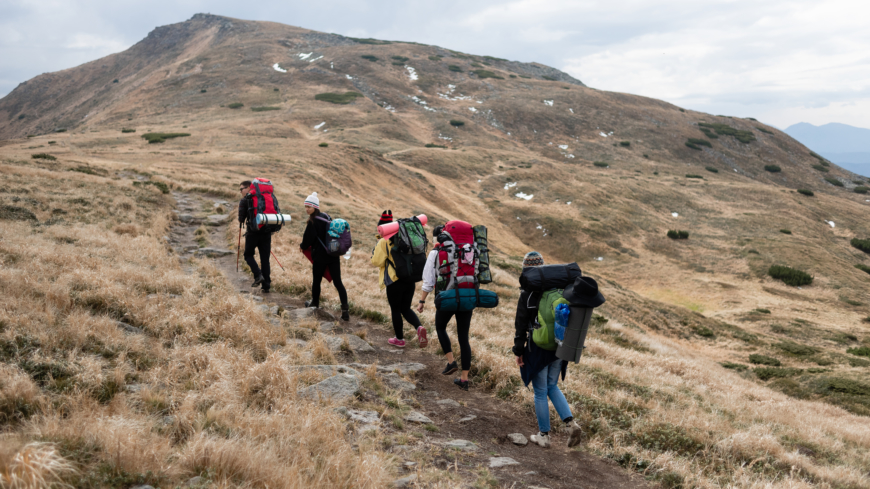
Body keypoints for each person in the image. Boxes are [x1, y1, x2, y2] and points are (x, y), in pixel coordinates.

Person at [513, 251, 583, 448]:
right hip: (559, 344)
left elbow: (521, 324)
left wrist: (518, 351)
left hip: (539, 346)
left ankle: (544, 435)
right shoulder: (560, 288)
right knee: (552, 385)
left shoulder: (528, 294)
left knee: (540, 391)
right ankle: (570, 424)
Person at [417, 224, 472, 391]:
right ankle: (464, 379)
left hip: (446, 297)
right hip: (467, 296)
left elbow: (429, 280)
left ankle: (451, 362)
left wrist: (422, 301)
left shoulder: (436, 252)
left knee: (440, 327)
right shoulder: (468, 250)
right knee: (464, 337)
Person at [370, 210, 428, 348]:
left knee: (395, 309)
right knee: (406, 308)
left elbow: (376, 262)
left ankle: (399, 339)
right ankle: (419, 327)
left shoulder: (384, 241)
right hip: (410, 279)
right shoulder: (405, 237)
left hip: (394, 280)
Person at [298, 192, 349, 321]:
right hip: (333, 255)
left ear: (315, 206)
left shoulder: (313, 221)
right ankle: (345, 311)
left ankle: (315, 303)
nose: (307, 209)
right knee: (338, 283)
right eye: (305, 207)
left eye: (309, 207)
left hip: (320, 256)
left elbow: (306, 241)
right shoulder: (327, 217)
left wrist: (302, 246)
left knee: (316, 281)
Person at [237, 180, 271, 293]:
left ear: (248, 188)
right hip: (266, 232)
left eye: (241, 189)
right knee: (265, 258)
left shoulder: (246, 199)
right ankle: (266, 284)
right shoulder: (264, 197)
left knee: (248, 254)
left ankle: (258, 275)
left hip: (252, 233)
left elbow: (241, 219)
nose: (241, 191)